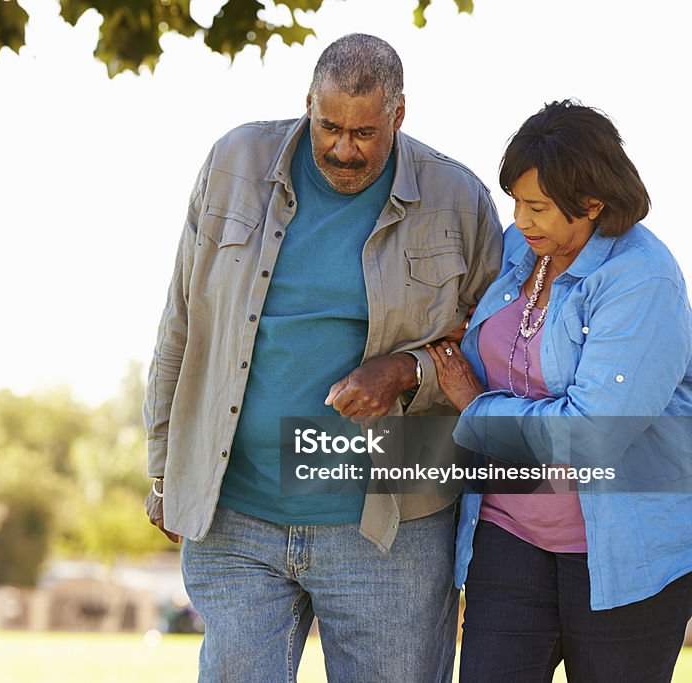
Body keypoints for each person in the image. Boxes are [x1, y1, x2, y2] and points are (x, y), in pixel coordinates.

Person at [143, 33, 503, 681]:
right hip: (237, 516)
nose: (343, 149)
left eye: (365, 132)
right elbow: (183, 319)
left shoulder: (457, 200)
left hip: (391, 527)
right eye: (329, 125)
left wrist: (408, 369)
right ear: (307, 102)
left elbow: (489, 340)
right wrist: (167, 469)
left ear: (398, 113)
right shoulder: (234, 163)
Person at [425, 100, 692, 682]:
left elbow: (592, 432)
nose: (521, 218)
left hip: (622, 555)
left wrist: (476, 408)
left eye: (538, 206)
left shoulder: (641, 278)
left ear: (593, 203)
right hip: (508, 533)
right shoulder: (523, 250)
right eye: (517, 201)